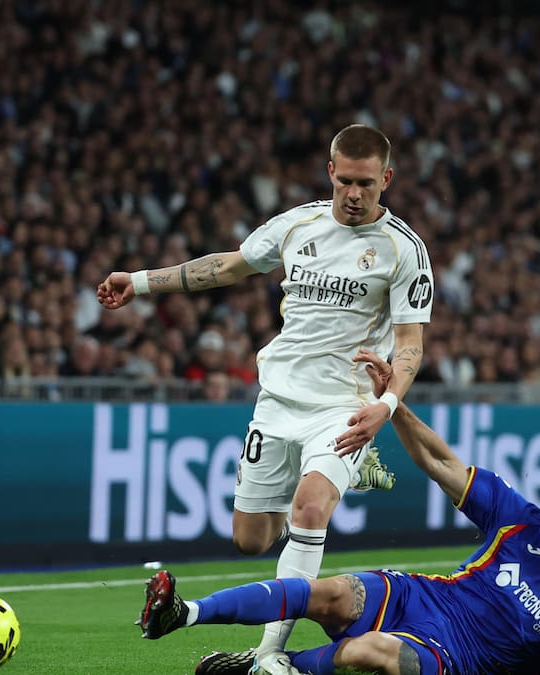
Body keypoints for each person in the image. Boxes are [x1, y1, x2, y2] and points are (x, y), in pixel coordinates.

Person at [137, 349, 540, 675]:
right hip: (421, 596)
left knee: (371, 653)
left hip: (454, 659)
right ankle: (183, 614)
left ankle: (271, 670)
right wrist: (391, 404)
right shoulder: (523, 522)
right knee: (327, 592)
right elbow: (441, 462)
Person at [99, 124, 433, 674]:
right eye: (345, 181)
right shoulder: (297, 224)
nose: (353, 194)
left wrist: (387, 406)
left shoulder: (404, 249)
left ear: (387, 180)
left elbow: (410, 344)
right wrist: (139, 282)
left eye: (367, 184)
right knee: (251, 539)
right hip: (278, 402)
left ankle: (267, 656)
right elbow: (229, 265)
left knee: (310, 506)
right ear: (331, 172)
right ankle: (349, 475)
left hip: (343, 406)